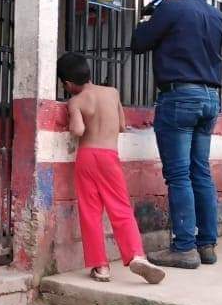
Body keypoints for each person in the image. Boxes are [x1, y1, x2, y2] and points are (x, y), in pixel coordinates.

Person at [130, 0, 222, 269]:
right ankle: (206, 244)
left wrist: (150, 15)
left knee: (179, 175)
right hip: (210, 98)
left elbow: (139, 42)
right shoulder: (217, 16)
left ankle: (184, 247)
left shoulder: (172, 8)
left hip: (180, 96)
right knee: (201, 172)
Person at [58, 53, 165, 285]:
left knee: (90, 211)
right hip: (109, 156)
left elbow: (77, 130)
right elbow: (122, 125)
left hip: (87, 157)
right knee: (121, 207)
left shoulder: (75, 101)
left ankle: (101, 267)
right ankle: (136, 254)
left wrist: (73, 119)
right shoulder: (112, 92)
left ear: (67, 84)